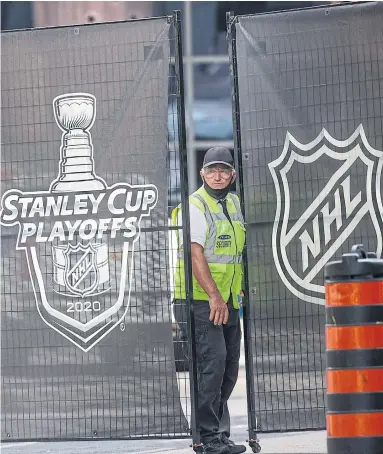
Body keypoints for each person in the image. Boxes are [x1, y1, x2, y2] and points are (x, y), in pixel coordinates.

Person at [172, 147, 246, 454]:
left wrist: (234, 293)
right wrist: (215, 297)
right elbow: (195, 253)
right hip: (199, 300)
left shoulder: (233, 203)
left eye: (224, 170)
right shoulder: (195, 205)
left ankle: (219, 434)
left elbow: (234, 255)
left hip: (228, 301)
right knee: (211, 366)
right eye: (212, 170)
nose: (218, 175)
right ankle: (206, 438)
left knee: (228, 368)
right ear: (202, 174)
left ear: (232, 174)